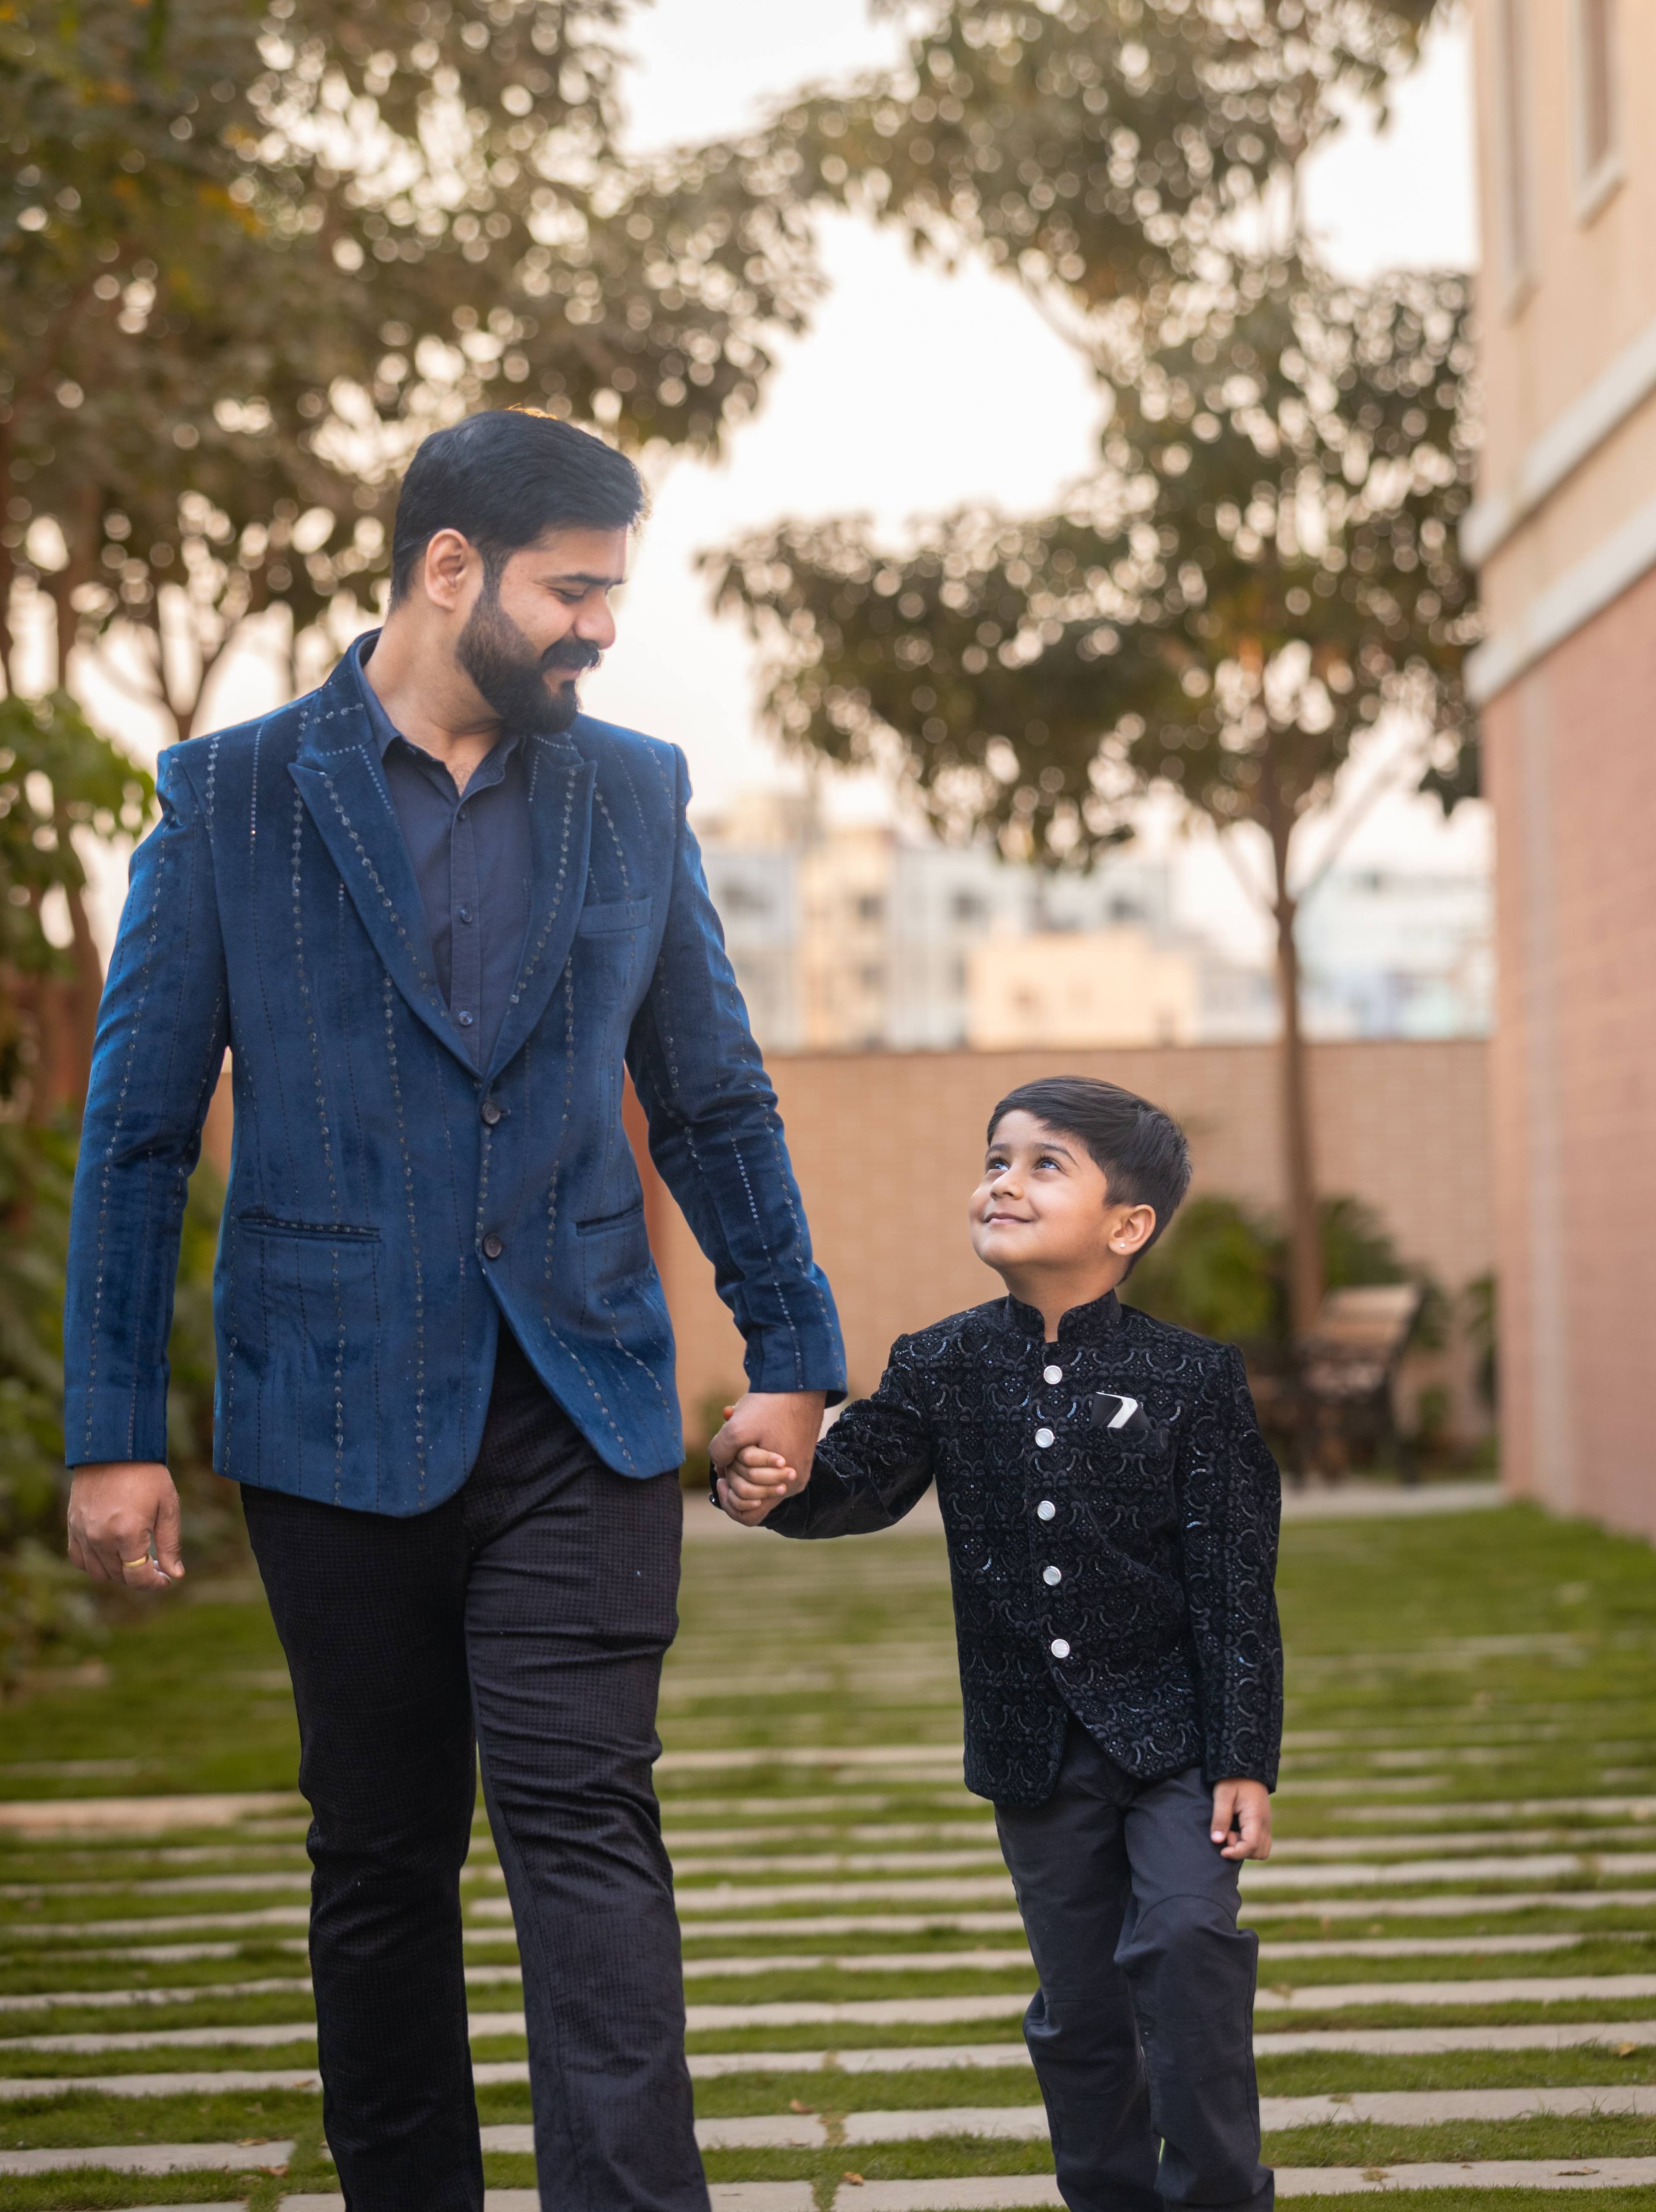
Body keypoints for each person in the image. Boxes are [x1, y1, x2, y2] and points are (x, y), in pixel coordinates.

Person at [60, 407, 845, 2212]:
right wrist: (113, 1434)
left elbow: (715, 1099)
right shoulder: (231, 797)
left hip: (581, 1406)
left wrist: (794, 1354)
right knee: (384, 1857)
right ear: (449, 569)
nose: (601, 628)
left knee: (588, 1832)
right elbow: (136, 1135)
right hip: (332, 1417)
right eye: (575, 589)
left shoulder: (633, 790)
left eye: (613, 591)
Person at [717, 1075, 1282, 2212]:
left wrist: (1242, 1756)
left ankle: (1221, 2195)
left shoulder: (1194, 1381)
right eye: (997, 1158)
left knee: (1182, 1951)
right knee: (1079, 2009)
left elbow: (1234, 1586)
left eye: (1044, 1163)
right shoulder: (942, 1363)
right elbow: (859, 1480)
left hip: (1173, 1741)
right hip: (1034, 1753)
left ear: (1128, 1227)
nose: (1004, 1181)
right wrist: (774, 1482)